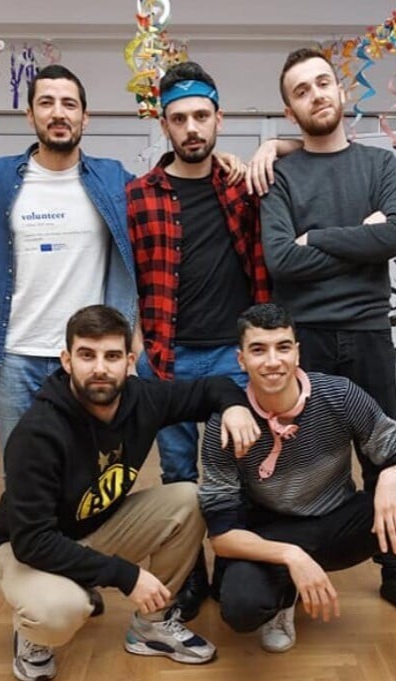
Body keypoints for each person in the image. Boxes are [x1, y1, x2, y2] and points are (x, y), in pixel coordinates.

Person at [199, 304, 396, 681]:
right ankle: (284, 595)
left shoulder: (339, 395)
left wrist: (393, 476)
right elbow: (221, 535)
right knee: (240, 608)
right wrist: (291, 556)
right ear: (241, 359)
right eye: (258, 349)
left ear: (298, 351)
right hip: (272, 536)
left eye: (283, 347)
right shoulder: (226, 424)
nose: (273, 361)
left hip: (339, 524)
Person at [0, 305, 260, 681]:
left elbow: (210, 388)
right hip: (24, 548)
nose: (100, 368)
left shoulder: (141, 398)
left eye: (112, 356)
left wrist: (235, 407)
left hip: (93, 529)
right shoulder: (38, 433)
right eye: (87, 355)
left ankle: (151, 626)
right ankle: (33, 636)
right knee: (59, 611)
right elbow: (33, 541)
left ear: (129, 362)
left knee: (189, 499)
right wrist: (126, 576)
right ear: (66, 360)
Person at [258, 47, 396, 615]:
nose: (316, 95)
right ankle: (294, 571)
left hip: (369, 332)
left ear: (341, 91)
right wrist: (359, 237)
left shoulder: (379, 165)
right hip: (307, 339)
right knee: (302, 462)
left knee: (382, 458)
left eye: (323, 83)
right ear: (290, 110)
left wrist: (316, 238)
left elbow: (393, 237)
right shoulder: (281, 174)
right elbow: (281, 260)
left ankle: (393, 568)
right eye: (301, 91)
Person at [127, 60, 271, 619]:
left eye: (201, 116)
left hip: (236, 358)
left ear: (219, 119)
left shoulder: (243, 188)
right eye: (179, 118)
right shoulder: (139, 196)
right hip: (169, 359)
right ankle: (190, 575)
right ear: (164, 124)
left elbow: (307, 156)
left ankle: (239, 565)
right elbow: (128, 274)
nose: (191, 128)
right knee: (180, 475)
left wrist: (272, 146)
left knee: (243, 467)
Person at [0, 64, 138, 459]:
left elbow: (170, 189)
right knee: (22, 469)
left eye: (69, 104)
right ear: (30, 115)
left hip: (87, 353)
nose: (58, 113)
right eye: (46, 103)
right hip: (16, 354)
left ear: (85, 116)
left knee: (87, 468)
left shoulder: (113, 180)